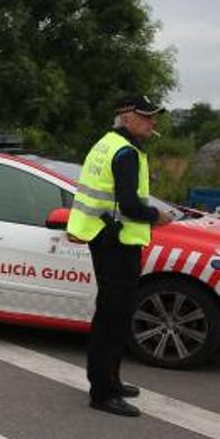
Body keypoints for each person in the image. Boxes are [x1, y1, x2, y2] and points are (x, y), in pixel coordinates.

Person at [66, 96, 174, 418]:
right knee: (113, 318)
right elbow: (130, 206)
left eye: (154, 117)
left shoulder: (108, 143)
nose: (152, 122)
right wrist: (158, 215)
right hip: (117, 242)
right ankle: (103, 392)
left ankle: (109, 379)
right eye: (147, 117)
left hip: (104, 237)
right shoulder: (125, 152)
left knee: (111, 314)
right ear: (127, 118)